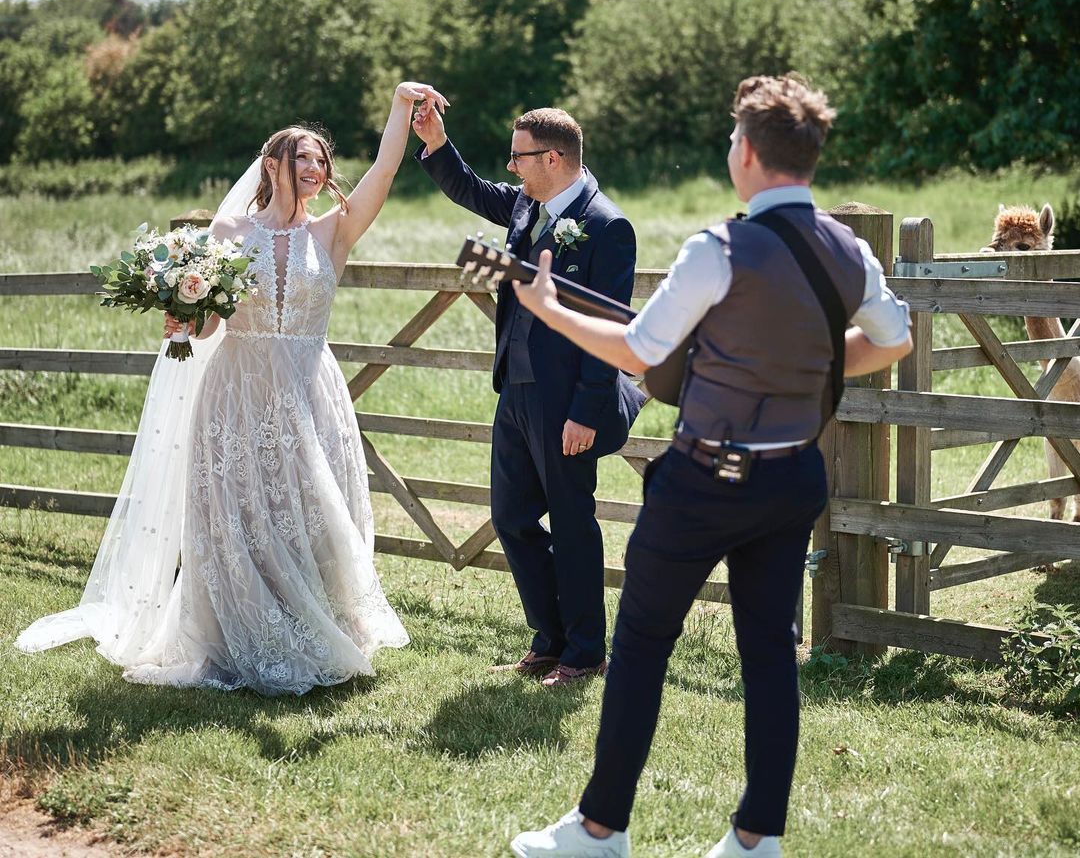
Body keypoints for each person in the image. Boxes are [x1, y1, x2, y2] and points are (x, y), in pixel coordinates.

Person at [508, 75, 913, 856]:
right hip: (793, 478)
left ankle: (599, 832)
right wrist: (816, 367)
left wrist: (549, 310)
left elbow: (639, 351)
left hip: (703, 481)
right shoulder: (847, 247)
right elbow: (892, 340)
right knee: (769, 655)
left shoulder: (718, 248)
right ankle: (756, 842)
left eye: (733, 138)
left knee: (642, 644)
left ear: (752, 154)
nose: (730, 149)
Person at [17, 81, 448, 696]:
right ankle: (240, 630)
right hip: (237, 390)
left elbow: (384, 167)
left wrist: (401, 106)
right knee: (243, 512)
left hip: (308, 389)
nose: (313, 167)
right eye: (300, 156)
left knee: (313, 509)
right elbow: (212, 322)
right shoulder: (228, 233)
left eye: (320, 159)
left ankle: (321, 621)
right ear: (271, 165)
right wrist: (183, 314)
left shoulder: (335, 231)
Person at [412, 103, 646, 687]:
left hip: (567, 399)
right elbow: (470, 189)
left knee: (572, 523)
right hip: (514, 389)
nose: (511, 167)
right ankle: (549, 639)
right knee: (511, 517)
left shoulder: (608, 227)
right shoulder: (527, 203)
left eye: (518, 156)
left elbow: (609, 324)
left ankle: (587, 651)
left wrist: (586, 412)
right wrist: (437, 141)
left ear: (553, 157)